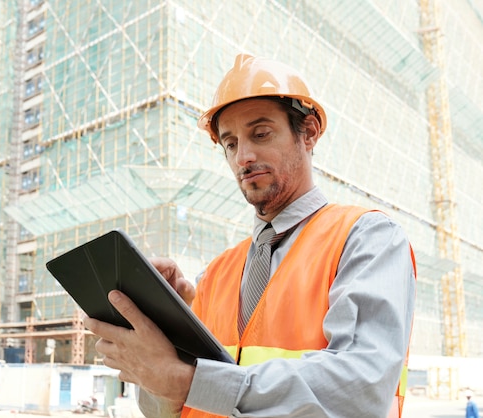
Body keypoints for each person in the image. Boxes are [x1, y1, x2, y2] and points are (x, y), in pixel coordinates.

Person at [83, 54, 416, 418]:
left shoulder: (366, 238)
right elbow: (167, 409)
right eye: (229, 143)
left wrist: (188, 381)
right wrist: (170, 338)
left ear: (308, 133)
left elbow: (360, 388)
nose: (243, 156)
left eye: (260, 134)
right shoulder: (215, 276)